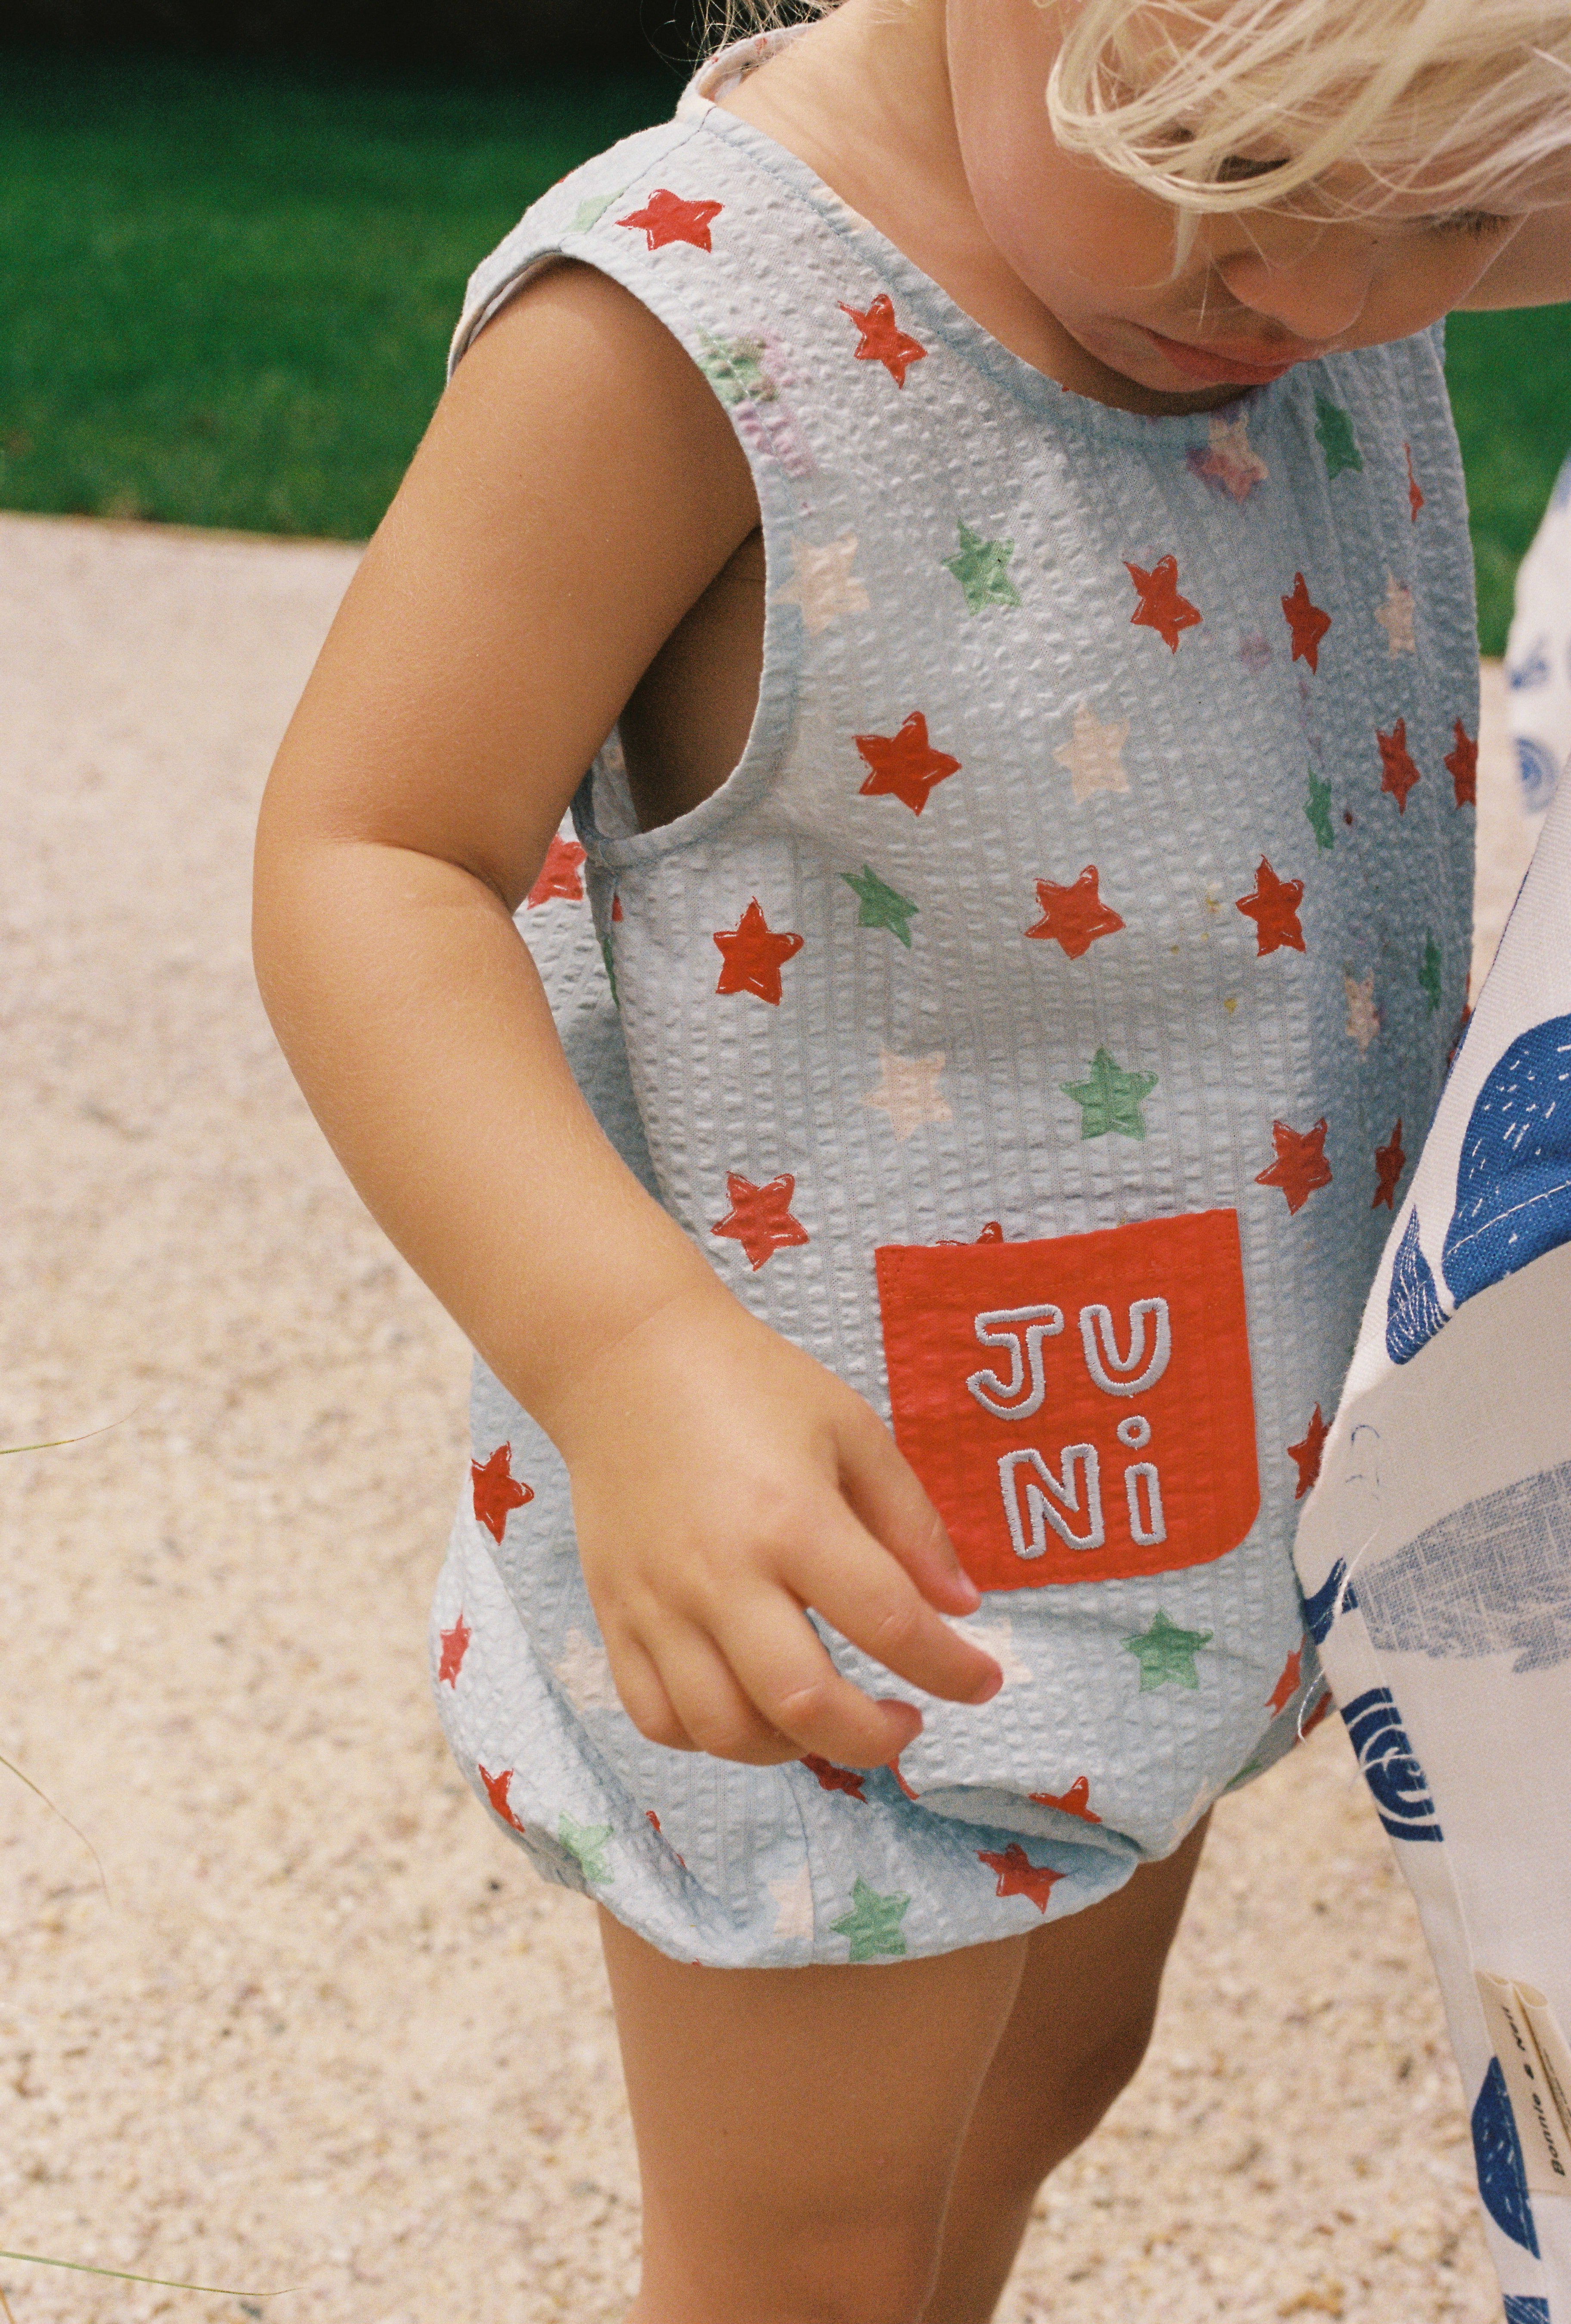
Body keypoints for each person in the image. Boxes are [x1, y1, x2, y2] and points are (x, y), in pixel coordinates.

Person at [251, 3, 1571, 2316]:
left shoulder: (1306, 219)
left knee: (1047, 2084)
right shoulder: (690, 327)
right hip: (810, 1551)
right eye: (1232, 164)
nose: (1319, 305)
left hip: (1168, 1511)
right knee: (807, 2255)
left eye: (1457, 223)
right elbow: (370, 851)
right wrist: (626, 1353)